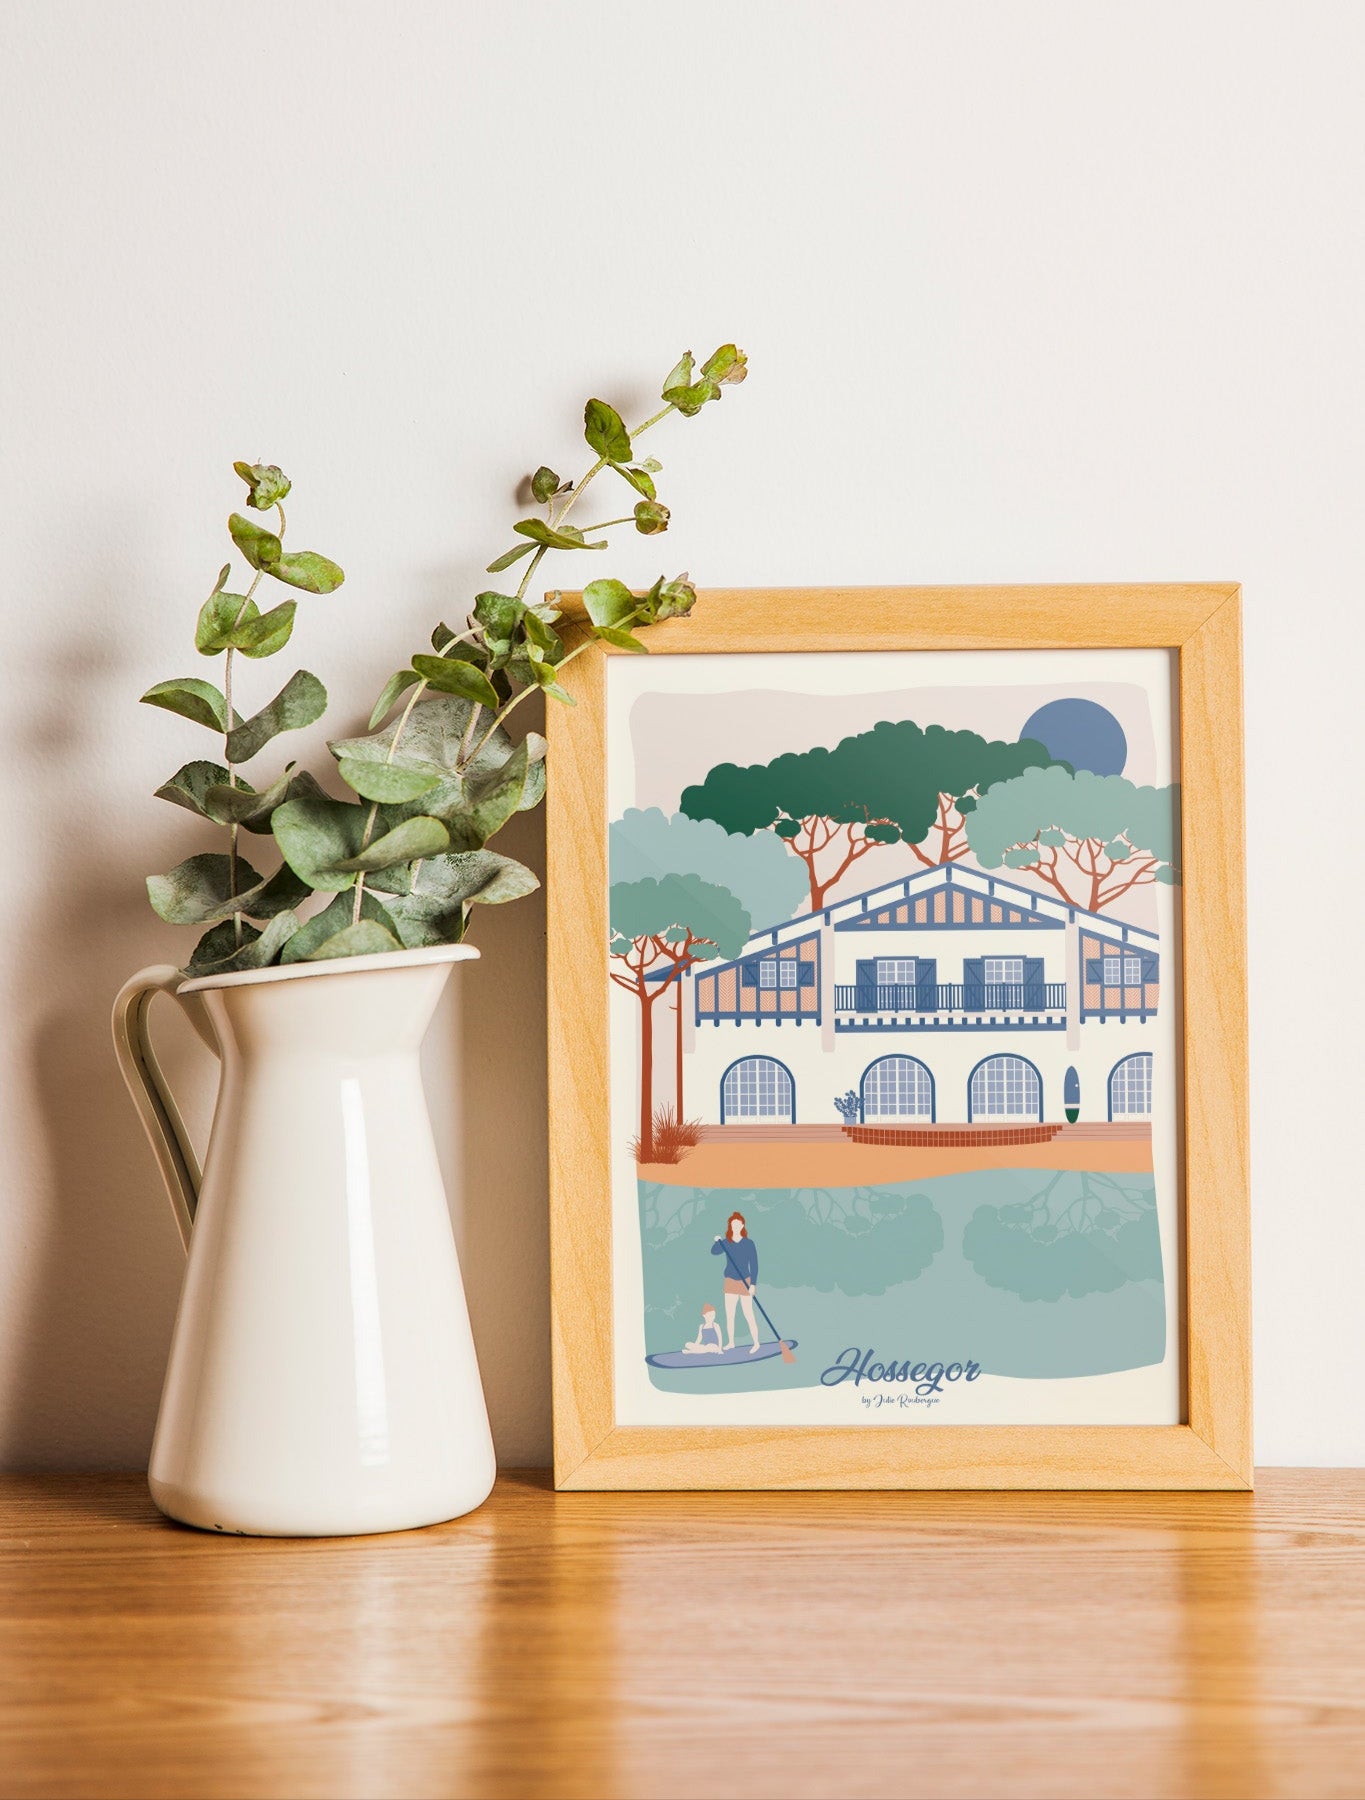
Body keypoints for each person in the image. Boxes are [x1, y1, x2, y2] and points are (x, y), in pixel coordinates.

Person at [712, 1211, 762, 1354]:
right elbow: (714, 1252)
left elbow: (754, 1264)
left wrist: (753, 1284)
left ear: (742, 1225)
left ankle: (756, 1343)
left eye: (738, 1224)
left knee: (748, 1313)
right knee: (730, 1314)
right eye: (733, 1224)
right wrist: (717, 1241)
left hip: (745, 1280)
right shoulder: (726, 1242)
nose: (735, 1226)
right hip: (730, 1280)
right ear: (730, 1226)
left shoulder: (749, 1243)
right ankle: (731, 1342)